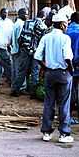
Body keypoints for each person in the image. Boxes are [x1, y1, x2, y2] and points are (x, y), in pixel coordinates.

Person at [34, 13, 74, 143]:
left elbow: (37, 56)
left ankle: (46, 132)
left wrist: (45, 68)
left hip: (50, 73)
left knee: (49, 103)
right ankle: (64, 133)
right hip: (63, 73)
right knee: (64, 104)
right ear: (62, 25)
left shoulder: (46, 37)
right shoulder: (65, 38)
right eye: (66, 24)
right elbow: (67, 56)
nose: (67, 26)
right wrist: (71, 69)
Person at [11, 10, 47, 98]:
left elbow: (20, 37)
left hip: (25, 50)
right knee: (35, 72)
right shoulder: (43, 26)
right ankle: (33, 93)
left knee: (21, 71)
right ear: (43, 17)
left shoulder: (27, 23)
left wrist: (20, 49)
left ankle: (15, 90)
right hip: (36, 52)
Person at [0, 8, 13, 86]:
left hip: (4, 45)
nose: (6, 14)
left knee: (2, 64)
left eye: (7, 13)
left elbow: (11, 33)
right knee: (5, 64)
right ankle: (9, 80)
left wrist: (9, 43)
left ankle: (8, 80)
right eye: (4, 13)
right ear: (0, 13)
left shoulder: (10, 23)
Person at [10, 8, 28, 97]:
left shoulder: (15, 23)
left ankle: (14, 86)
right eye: (25, 14)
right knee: (19, 70)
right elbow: (19, 38)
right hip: (18, 50)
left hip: (14, 49)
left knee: (14, 70)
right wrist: (21, 49)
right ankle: (21, 87)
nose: (27, 16)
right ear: (21, 14)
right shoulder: (21, 24)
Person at [64, 12, 79, 113]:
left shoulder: (65, 31)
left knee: (69, 85)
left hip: (67, 62)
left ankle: (70, 108)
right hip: (77, 62)